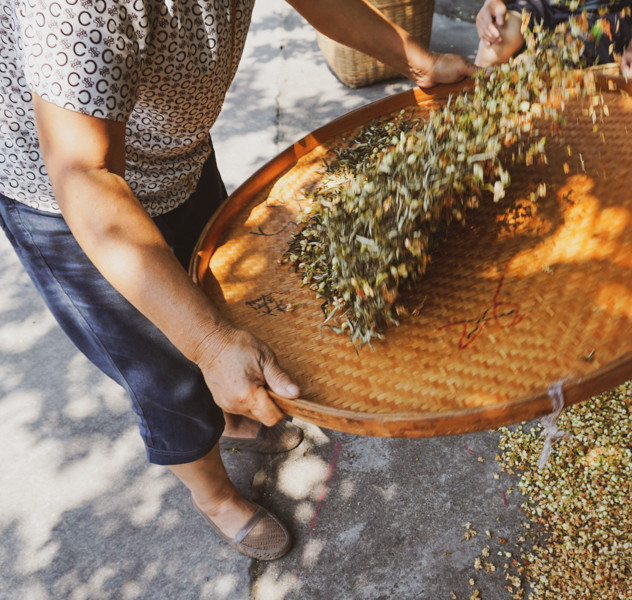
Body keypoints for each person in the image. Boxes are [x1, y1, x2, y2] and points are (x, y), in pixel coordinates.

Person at [0, 0, 475, 561]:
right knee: (168, 372)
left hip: (176, 156)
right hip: (68, 203)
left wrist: (417, 60)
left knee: (222, 305)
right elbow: (84, 172)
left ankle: (228, 419)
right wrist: (205, 343)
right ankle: (215, 496)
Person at [474, 0, 632, 79]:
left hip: (600, 16)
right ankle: (474, 139)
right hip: (540, 5)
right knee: (493, 47)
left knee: (538, 65)